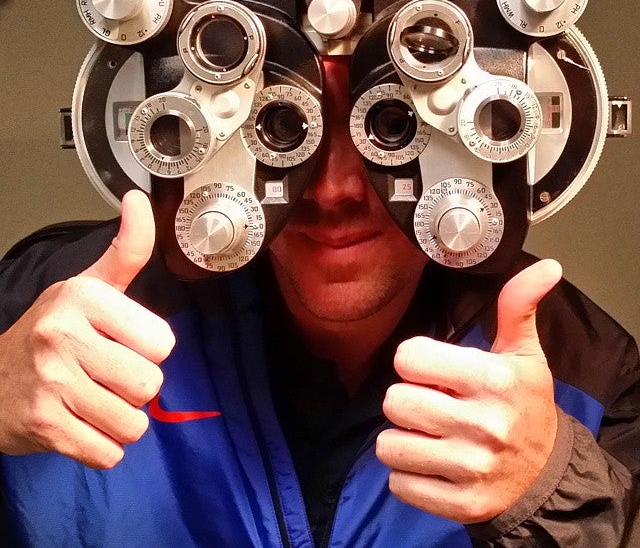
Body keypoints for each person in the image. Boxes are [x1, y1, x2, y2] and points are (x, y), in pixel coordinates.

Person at [0, 56, 638, 547]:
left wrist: (550, 492)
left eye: (392, 127)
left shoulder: (586, 374)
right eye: (284, 127)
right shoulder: (55, 311)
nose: (332, 189)